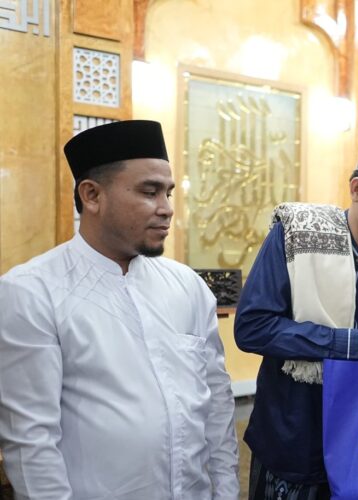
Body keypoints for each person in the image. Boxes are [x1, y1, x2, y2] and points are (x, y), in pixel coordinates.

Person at [0, 120, 239, 499]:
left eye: (168, 193)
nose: (167, 209)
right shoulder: (33, 291)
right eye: (149, 192)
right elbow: (31, 440)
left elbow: (217, 404)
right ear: (92, 195)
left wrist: (225, 492)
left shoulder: (186, 285)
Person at [234, 136, 358, 500]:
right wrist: (352, 344)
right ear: (357, 189)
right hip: (292, 441)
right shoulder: (295, 240)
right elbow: (252, 328)